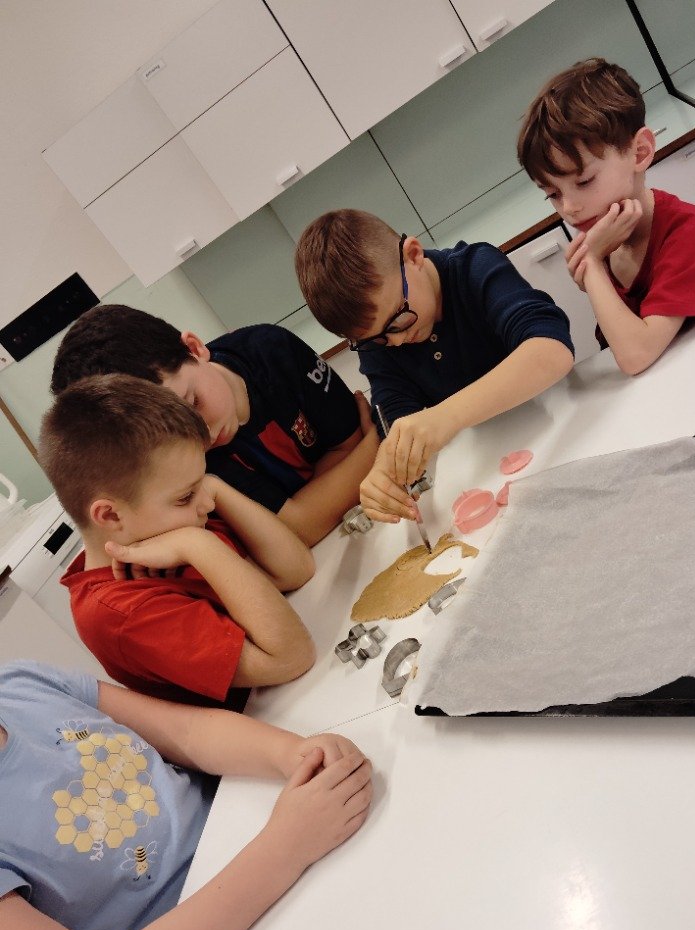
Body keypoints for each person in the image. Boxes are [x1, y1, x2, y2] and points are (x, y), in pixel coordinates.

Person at [0, 658, 372, 930]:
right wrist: (283, 848)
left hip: (266, 836)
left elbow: (186, 732)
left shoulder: (21, 682)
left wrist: (292, 754)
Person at [38, 374, 316, 705]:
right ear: (110, 516)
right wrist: (198, 546)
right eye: (186, 495)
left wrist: (213, 485)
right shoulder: (119, 614)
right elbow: (291, 657)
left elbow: (295, 570)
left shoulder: (166, 522)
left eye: (201, 482)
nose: (207, 504)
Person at [294, 209, 574, 523]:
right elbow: (396, 417)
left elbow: (551, 350)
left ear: (414, 255)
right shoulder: (382, 338)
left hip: (560, 430)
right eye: (375, 340)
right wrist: (387, 466)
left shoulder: (474, 267)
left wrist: (444, 417)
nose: (397, 341)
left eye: (399, 320)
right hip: (495, 468)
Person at [51, 304, 380, 546]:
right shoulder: (181, 460)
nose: (203, 437)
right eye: (176, 432)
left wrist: (310, 507)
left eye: (193, 402)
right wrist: (372, 446)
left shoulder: (270, 349)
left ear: (194, 349)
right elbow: (298, 530)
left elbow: (344, 447)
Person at [517, 57, 695, 377]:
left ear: (640, 152)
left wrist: (593, 268)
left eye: (584, 182)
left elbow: (635, 355)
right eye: (552, 194)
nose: (568, 207)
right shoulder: (609, 240)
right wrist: (597, 270)